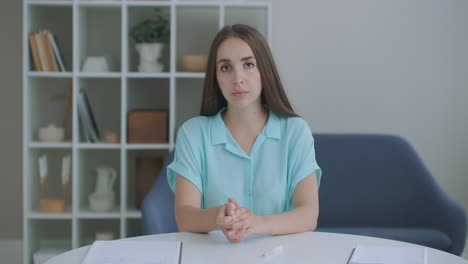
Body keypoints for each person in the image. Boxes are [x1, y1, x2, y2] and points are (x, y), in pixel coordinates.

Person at [167, 24, 322, 243]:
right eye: (225, 67)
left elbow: (308, 215)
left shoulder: (295, 131)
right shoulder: (192, 134)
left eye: (249, 64)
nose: (237, 78)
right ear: (215, 77)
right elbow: (185, 216)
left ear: (264, 70)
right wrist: (217, 218)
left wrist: (257, 223)